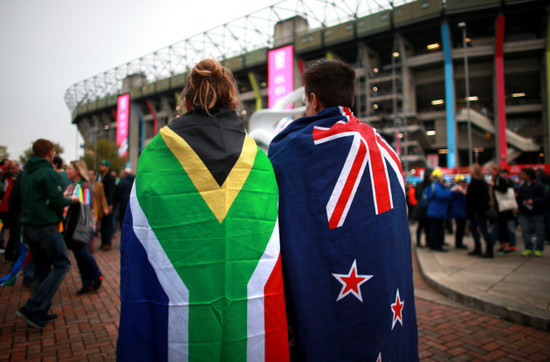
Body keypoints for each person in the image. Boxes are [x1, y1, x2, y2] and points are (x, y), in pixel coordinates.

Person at [117, 59, 288, 361]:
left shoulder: (156, 156)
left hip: (175, 320)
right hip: (248, 316)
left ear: (185, 102)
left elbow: (138, 241)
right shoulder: (260, 162)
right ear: (234, 102)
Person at [268, 59, 418, 361]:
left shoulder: (295, 149)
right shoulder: (387, 149)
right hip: (386, 300)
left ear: (312, 100)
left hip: (327, 305)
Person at [16, 139, 79, 329]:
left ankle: (39, 311)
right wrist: (72, 200)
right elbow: (56, 201)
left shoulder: (26, 173)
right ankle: (33, 306)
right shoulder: (47, 172)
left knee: (41, 269)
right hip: (45, 227)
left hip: (29, 227)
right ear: (51, 153)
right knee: (62, 264)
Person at [64, 160, 103, 294]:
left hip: (84, 224)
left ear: (77, 171)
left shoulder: (85, 186)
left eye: (69, 169)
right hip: (74, 224)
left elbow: (86, 207)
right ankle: (86, 283)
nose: (67, 171)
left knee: (81, 252)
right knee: (78, 254)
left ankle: (96, 275)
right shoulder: (73, 186)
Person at [517, 167, 547, 256]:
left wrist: (533, 201)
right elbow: (520, 197)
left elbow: (545, 197)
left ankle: (539, 248)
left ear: (528, 175)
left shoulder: (539, 185)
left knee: (539, 231)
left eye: (523, 174)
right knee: (525, 230)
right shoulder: (523, 185)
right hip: (525, 211)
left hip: (537, 212)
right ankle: (528, 247)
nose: (521, 176)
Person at [466, 164, 494, 258]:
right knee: (474, 228)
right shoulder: (481, 182)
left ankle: (488, 249)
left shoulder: (476, 183)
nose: (470, 172)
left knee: (483, 229)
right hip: (478, 210)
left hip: (478, 210)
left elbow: (471, 198)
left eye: (471, 171)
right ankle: (479, 247)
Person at [487, 163, 515, 253]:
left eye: (491, 170)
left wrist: (493, 185)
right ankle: (503, 244)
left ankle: (507, 246)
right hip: (497, 206)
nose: (490, 172)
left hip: (503, 207)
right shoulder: (494, 179)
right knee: (499, 227)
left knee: (504, 227)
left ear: (496, 170)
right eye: (489, 170)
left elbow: (504, 189)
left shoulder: (499, 179)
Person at [425, 169, 452, 252]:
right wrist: (451, 191)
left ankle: (434, 245)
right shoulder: (436, 186)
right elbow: (441, 195)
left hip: (435, 211)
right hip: (437, 212)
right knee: (437, 230)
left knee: (435, 229)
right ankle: (437, 246)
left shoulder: (434, 185)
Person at [0, 160, 21, 261]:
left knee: (14, 233)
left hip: (13, 210)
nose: (11, 171)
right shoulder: (5, 177)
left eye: (13, 168)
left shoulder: (20, 177)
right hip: (2, 209)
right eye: (9, 169)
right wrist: (5, 166)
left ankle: (10, 255)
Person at [96, 159, 115, 250]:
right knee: (102, 224)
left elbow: (111, 191)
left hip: (107, 203)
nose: (101, 167)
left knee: (108, 224)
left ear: (107, 167)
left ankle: (107, 242)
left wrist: (110, 204)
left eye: (103, 166)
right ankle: (103, 242)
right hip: (101, 203)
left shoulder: (110, 177)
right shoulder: (99, 176)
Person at [412, 168, 433, 248]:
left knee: (427, 227)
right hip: (422, 209)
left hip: (425, 208)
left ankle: (427, 242)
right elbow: (418, 195)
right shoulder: (423, 185)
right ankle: (419, 242)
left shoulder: (428, 184)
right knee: (421, 226)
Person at [450, 174, 468, 249]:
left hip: (462, 211)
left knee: (461, 227)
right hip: (459, 211)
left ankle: (459, 242)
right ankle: (458, 243)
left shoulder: (463, 189)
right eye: (461, 181)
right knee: (460, 227)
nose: (462, 183)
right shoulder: (456, 189)